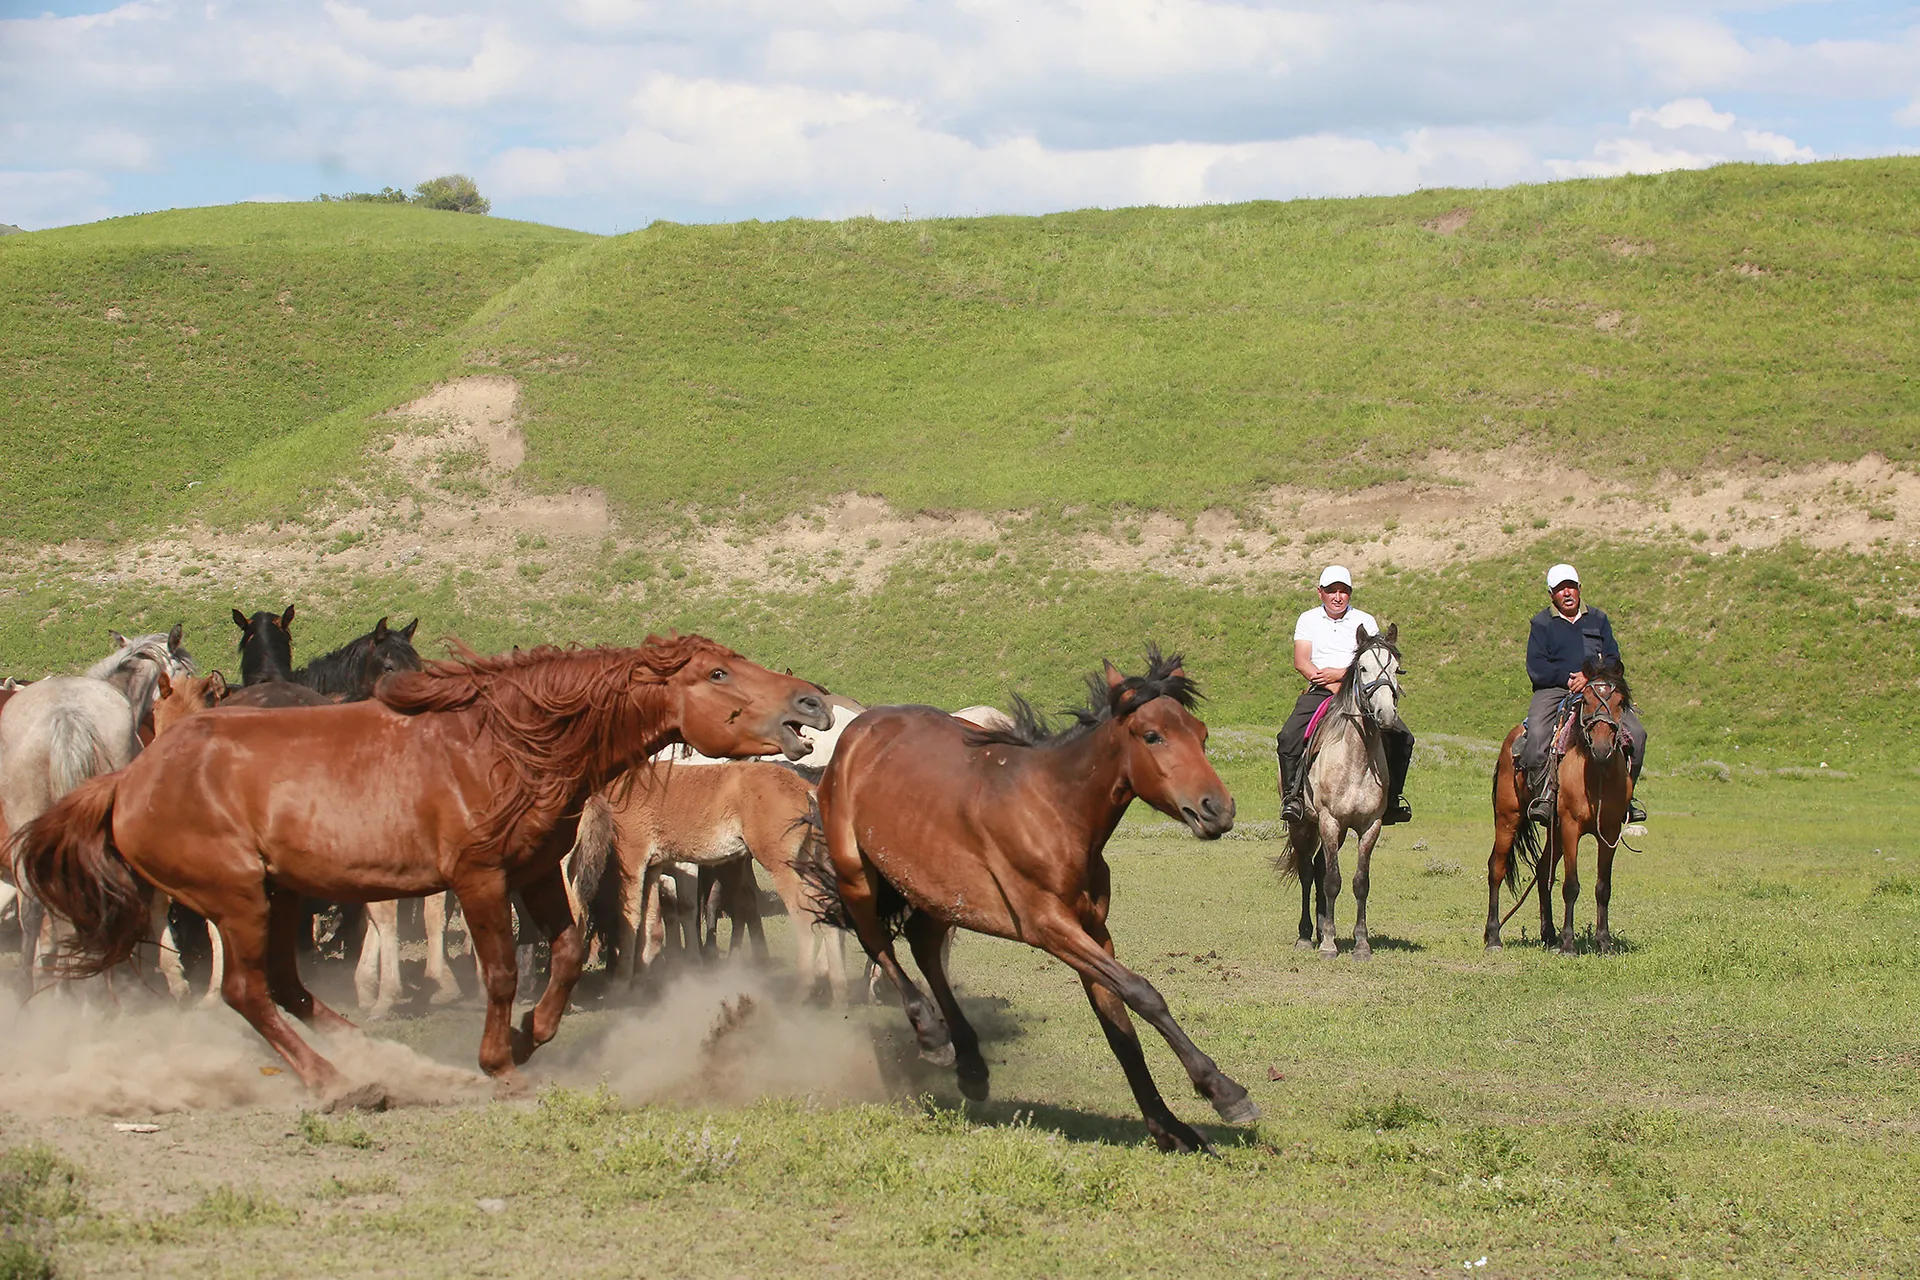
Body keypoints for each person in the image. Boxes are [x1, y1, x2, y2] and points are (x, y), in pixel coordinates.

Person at [1276, 565, 1414, 826]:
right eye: (1331, 591)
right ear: (1320, 593)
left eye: (1343, 591)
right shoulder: (1308, 619)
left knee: (1403, 737)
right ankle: (1292, 798)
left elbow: (1373, 659)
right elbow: (1301, 661)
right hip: (1320, 689)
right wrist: (1328, 683)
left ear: (1350, 593)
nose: (1337, 597)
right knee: (1288, 737)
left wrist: (1340, 676)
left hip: (1358, 690)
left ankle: (1392, 800)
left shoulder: (1365, 620)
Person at [1521, 563, 1648, 824]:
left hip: (1598, 688)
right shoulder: (1542, 623)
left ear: (1579, 589)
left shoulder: (1598, 619)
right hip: (1556, 690)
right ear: (1551, 594)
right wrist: (1569, 681)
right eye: (1559, 589)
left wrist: (1589, 677)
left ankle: (1627, 797)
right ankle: (1543, 795)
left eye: (1570, 587)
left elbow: (1613, 659)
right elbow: (1537, 668)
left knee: (1637, 734)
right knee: (1536, 736)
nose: (1566, 593)